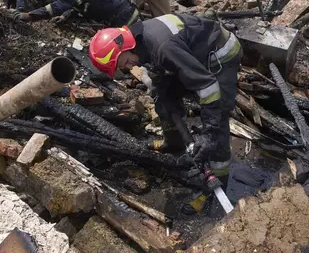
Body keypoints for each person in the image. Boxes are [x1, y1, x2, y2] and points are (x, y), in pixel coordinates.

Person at [88, 14, 242, 215]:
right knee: (163, 97)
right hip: (191, 51)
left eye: (123, 63)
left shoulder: (163, 48)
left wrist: (209, 132)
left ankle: (216, 185)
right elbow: (163, 65)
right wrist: (160, 85)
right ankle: (175, 142)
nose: (127, 69)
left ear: (124, 48)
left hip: (220, 54)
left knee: (218, 118)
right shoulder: (138, 36)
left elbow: (208, 85)